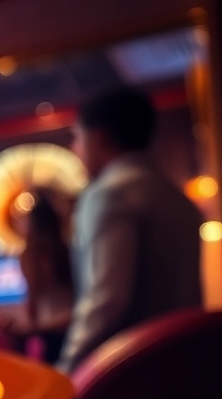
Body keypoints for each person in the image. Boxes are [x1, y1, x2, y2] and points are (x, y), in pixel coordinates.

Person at [58, 87, 203, 372]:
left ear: (99, 136)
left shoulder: (110, 194)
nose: (75, 148)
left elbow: (107, 300)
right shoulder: (178, 198)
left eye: (76, 137)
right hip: (184, 366)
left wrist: (67, 369)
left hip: (129, 376)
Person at [16, 189, 75, 364]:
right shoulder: (67, 251)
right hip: (71, 328)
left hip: (50, 333)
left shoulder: (31, 255)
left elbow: (32, 301)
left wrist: (29, 329)